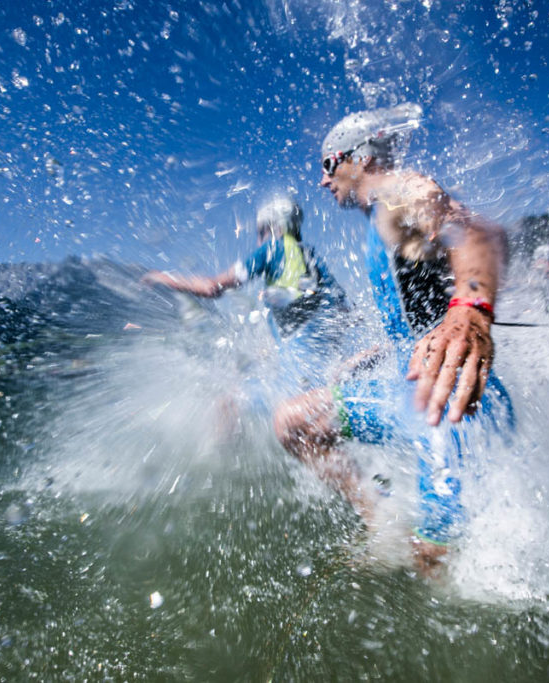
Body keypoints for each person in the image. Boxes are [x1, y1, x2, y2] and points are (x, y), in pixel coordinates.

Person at [272, 104, 515, 574]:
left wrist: (471, 312)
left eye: (329, 165)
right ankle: (381, 522)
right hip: (410, 392)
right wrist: (374, 353)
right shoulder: (380, 218)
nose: (323, 181)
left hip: (448, 406)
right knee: (294, 423)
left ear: (360, 158)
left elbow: (481, 236)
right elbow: (421, 310)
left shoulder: (398, 190)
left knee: (436, 565)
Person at [143, 195, 349, 389]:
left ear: (274, 227)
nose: (258, 241)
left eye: (260, 232)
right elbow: (343, 312)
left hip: (298, 373)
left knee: (229, 401)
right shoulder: (311, 256)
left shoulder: (271, 249)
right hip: (324, 368)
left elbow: (212, 287)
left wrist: (163, 278)